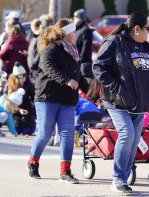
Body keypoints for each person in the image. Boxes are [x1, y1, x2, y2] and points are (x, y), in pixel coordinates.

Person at [92, 12, 149, 194]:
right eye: (147, 28)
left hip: (139, 102)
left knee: (134, 139)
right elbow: (98, 67)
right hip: (117, 100)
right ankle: (118, 178)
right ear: (137, 29)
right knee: (127, 134)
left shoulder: (145, 47)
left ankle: (124, 177)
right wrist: (117, 88)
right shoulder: (114, 42)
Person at [27, 18, 80, 184]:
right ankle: (33, 162)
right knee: (45, 133)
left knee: (67, 134)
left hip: (67, 99)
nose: (75, 34)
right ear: (65, 33)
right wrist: (66, 80)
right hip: (47, 97)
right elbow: (49, 68)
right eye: (73, 31)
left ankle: (65, 172)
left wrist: (94, 95)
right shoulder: (51, 49)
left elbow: (78, 77)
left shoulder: (73, 51)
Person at [7, 62, 35, 136]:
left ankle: (31, 126)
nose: (23, 79)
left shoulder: (28, 85)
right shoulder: (11, 87)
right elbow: (9, 103)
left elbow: (34, 96)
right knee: (17, 130)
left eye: (24, 77)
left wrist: (32, 107)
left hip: (27, 108)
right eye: (20, 78)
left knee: (28, 131)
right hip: (16, 110)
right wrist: (19, 110)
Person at [74, 9, 93, 92]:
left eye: (75, 17)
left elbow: (86, 49)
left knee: (85, 90)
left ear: (80, 18)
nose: (74, 19)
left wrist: (79, 61)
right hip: (77, 64)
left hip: (84, 66)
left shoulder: (86, 30)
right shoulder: (76, 30)